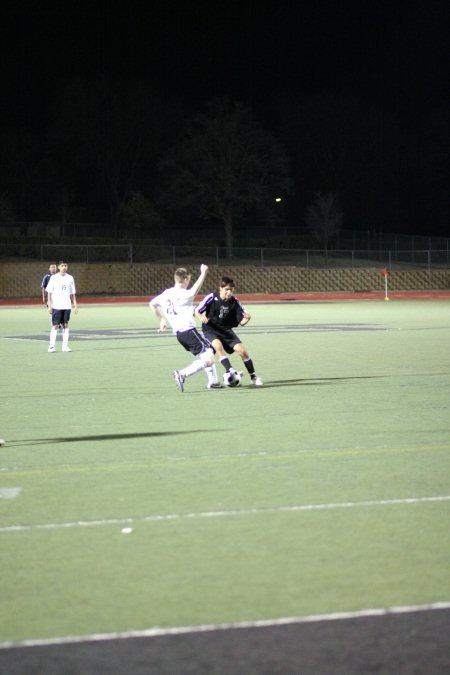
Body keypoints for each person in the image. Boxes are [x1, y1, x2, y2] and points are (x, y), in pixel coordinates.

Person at [149, 264, 221, 392]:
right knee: (209, 358)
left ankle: (214, 382)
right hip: (188, 331)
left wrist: (162, 320)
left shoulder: (166, 294)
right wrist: (203, 273)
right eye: (188, 279)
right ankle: (182, 374)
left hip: (180, 334)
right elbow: (194, 290)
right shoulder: (185, 294)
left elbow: (152, 304)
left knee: (208, 352)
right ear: (186, 279)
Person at [195, 276, 263, 386]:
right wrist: (200, 317)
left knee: (242, 351)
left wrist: (247, 318)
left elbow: (241, 322)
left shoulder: (234, 302)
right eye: (227, 289)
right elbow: (197, 310)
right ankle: (230, 370)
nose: (229, 292)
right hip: (210, 330)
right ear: (220, 288)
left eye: (231, 289)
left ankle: (254, 377)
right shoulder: (211, 297)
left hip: (226, 330)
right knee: (218, 346)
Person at [46, 261, 78, 352]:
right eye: (62, 266)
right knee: (55, 325)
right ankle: (51, 346)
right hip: (57, 306)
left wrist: (75, 305)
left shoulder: (70, 278)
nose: (64, 267)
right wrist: (49, 305)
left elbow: (73, 293)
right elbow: (49, 292)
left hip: (67, 306)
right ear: (58, 267)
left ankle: (65, 346)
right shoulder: (54, 278)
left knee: (66, 325)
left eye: (65, 266)